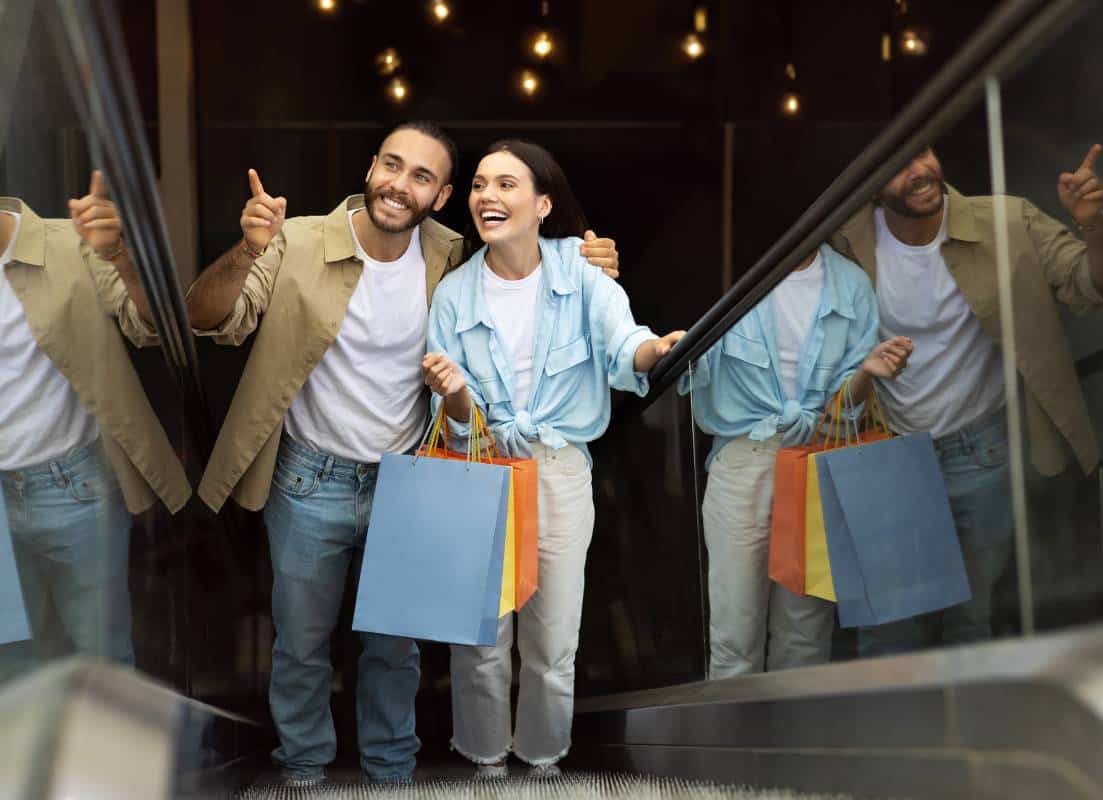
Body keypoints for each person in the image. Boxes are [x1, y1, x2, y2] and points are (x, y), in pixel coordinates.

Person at [174, 122, 620, 786]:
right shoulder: (295, 240)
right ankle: (302, 766)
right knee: (300, 644)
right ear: (371, 166)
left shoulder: (453, 256)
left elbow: (524, 269)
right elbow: (206, 319)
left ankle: (391, 771)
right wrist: (246, 249)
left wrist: (594, 266)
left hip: (408, 478)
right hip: (309, 477)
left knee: (396, 648)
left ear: (440, 197)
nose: (398, 183)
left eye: (421, 176)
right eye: (391, 164)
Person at [422, 139, 684, 778]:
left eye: (507, 185)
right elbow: (451, 427)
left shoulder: (585, 275)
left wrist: (660, 351)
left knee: (552, 637)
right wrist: (456, 395)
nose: (488, 196)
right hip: (480, 469)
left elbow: (626, 347)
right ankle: (485, 760)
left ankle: (541, 761)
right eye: (481, 184)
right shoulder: (455, 295)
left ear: (543, 204)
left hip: (561, 470)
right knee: (480, 637)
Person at [831, 144, 1103, 655]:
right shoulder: (846, 245)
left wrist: (1094, 224)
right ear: (869, 180)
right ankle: (896, 735)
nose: (920, 171)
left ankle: (965, 733)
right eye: (898, 162)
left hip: (982, 451)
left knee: (972, 625)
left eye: (924, 151)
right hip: (885, 455)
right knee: (888, 636)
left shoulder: (1008, 221)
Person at [682, 244, 911, 678]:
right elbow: (688, 361)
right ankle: (736, 744)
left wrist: (866, 373)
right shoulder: (727, 265)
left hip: (818, 460)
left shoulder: (850, 282)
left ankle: (790, 743)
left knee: (805, 634)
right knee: (734, 634)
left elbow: (846, 408)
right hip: (743, 459)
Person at [0, 172, 190, 669]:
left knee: (102, 667)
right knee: (12, 672)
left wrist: (116, 255)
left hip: (72, 488)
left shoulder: (69, 243)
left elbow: (152, 326)